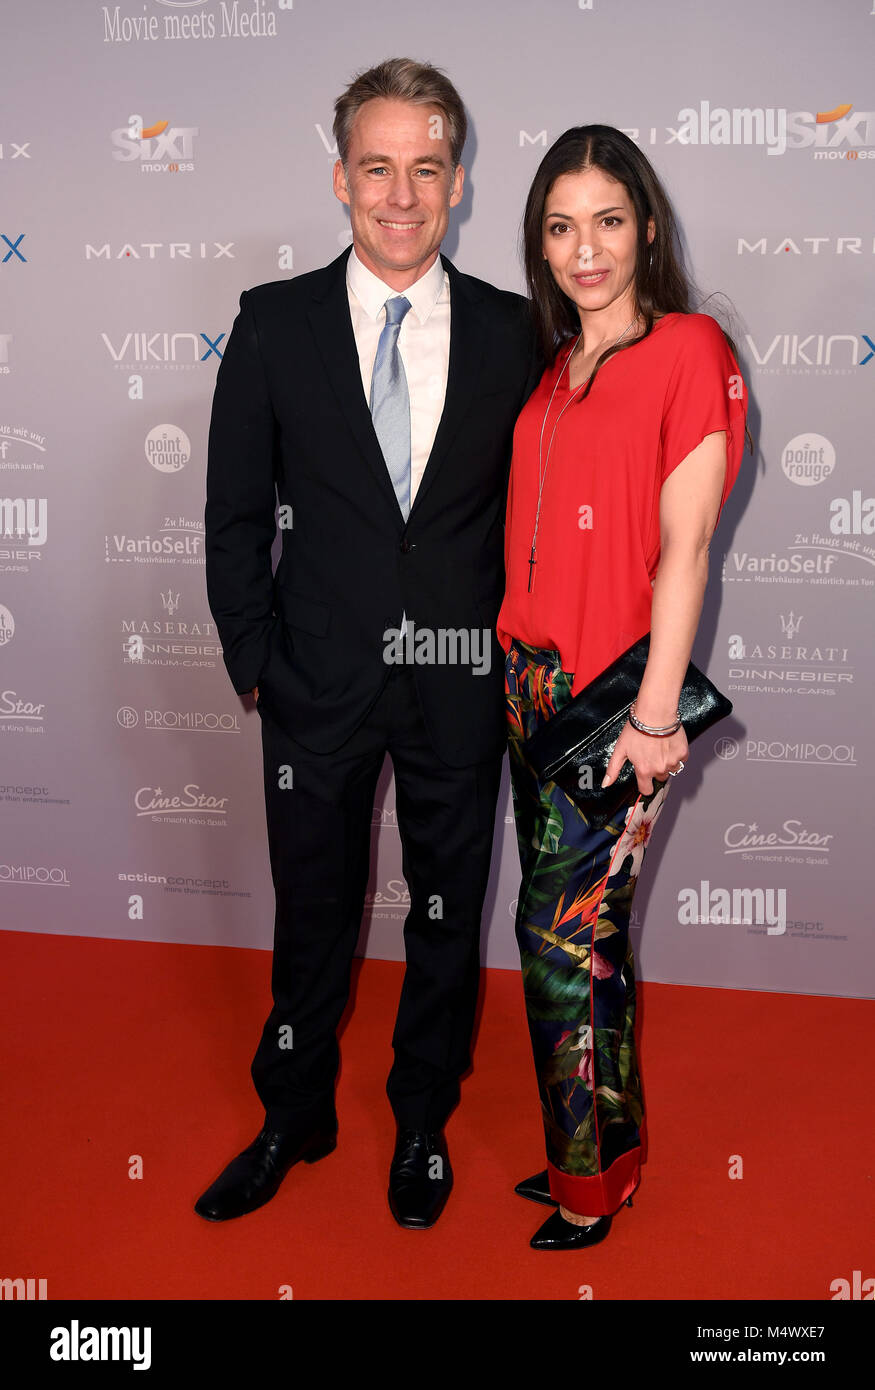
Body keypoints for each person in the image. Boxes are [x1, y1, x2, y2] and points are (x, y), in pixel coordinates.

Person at [198, 58, 536, 1230]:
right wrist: (256, 662)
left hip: (456, 687)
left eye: (426, 169)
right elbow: (234, 514)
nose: (402, 194)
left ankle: (423, 1118)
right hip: (315, 684)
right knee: (313, 913)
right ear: (341, 178)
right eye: (378, 167)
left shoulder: (513, 333)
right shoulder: (272, 322)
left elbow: (538, 523)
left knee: (446, 912)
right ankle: (294, 1109)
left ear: (456, 183)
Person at [496, 125, 749, 1250]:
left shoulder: (688, 347)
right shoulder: (555, 367)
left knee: (558, 943)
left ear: (645, 225)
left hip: (611, 704)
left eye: (606, 220)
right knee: (584, 943)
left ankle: (588, 1185)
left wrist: (653, 719)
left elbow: (685, 550)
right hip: (527, 689)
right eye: (559, 226)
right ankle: (593, 1150)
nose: (583, 248)